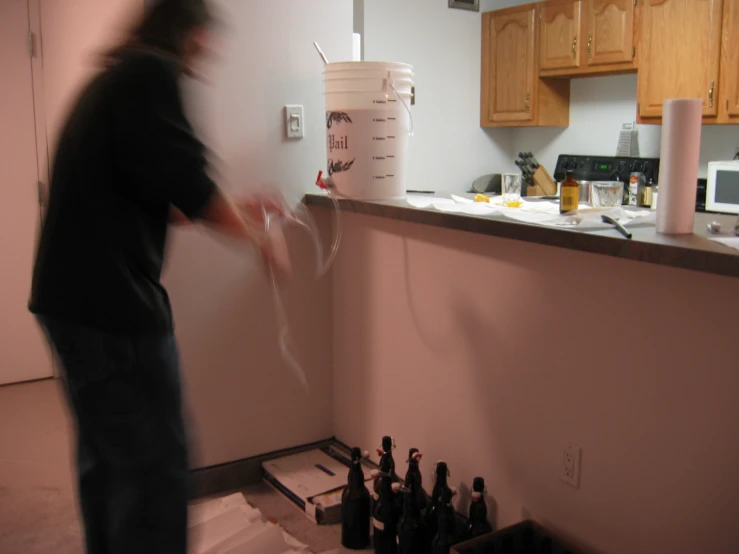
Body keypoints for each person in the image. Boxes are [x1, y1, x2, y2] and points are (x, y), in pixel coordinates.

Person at [28, 1, 284, 552]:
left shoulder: (116, 77)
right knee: (154, 473)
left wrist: (240, 204)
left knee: (108, 464)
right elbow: (194, 191)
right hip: (111, 308)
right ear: (189, 33)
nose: (209, 53)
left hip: (69, 302)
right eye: (208, 39)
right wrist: (262, 241)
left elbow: (166, 197)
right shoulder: (150, 74)